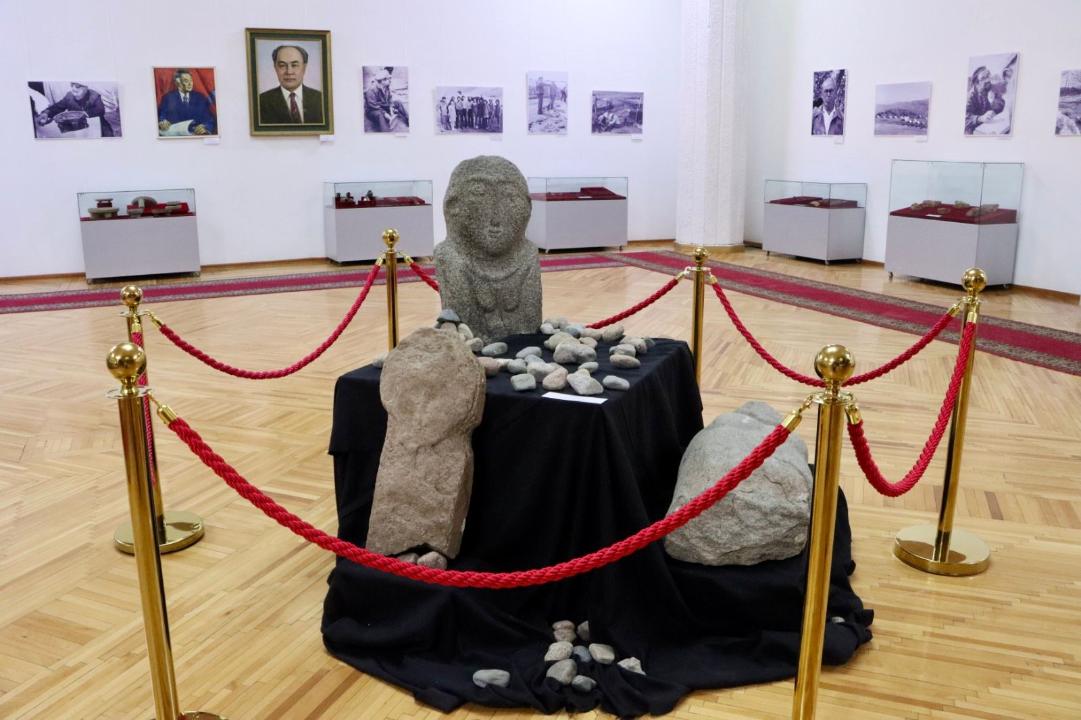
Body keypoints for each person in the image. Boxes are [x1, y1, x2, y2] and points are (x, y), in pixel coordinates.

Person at [257, 45, 324, 125]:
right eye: (282, 65)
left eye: (294, 65)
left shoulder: (321, 99)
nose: (289, 72)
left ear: (304, 67)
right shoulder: (261, 102)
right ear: (275, 67)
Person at [35, 82, 115, 137]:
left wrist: (84, 114)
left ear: (86, 87)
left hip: (96, 124)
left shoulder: (94, 95)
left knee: (107, 134)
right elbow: (58, 106)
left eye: (77, 86)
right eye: (72, 85)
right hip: (78, 127)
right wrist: (46, 113)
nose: (73, 89)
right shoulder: (69, 96)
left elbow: (100, 109)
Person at [157, 69, 215, 136]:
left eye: (191, 81)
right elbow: (162, 116)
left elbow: (209, 119)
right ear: (178, 83)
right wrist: (162, 122)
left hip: (196, 136)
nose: (190, 84)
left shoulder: (200, 98)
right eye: (186, 81)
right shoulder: (168, 98)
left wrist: (205, 127)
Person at [363, 67, 408, 132]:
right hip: (373, 110)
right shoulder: (371, 90)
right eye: (388, 79)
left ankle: (409, 120)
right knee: (380, 114)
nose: (390, 80)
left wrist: (391, 111)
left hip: (383, 105)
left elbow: (389, 99)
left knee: (398, 102)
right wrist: (387, 116)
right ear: (383, 81)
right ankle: (385, 131)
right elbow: (374, 106)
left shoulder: (386, 86)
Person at [965, 65, 1005, 134]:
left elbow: (1001, 104)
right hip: (973, 131)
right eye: (983, 78)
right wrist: (980, 118)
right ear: (977, 83)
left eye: (988, 76)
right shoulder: (970, 96)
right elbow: (965, 119)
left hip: (988, 126)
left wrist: (994, 105)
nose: (987, 80)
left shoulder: (990, 88)